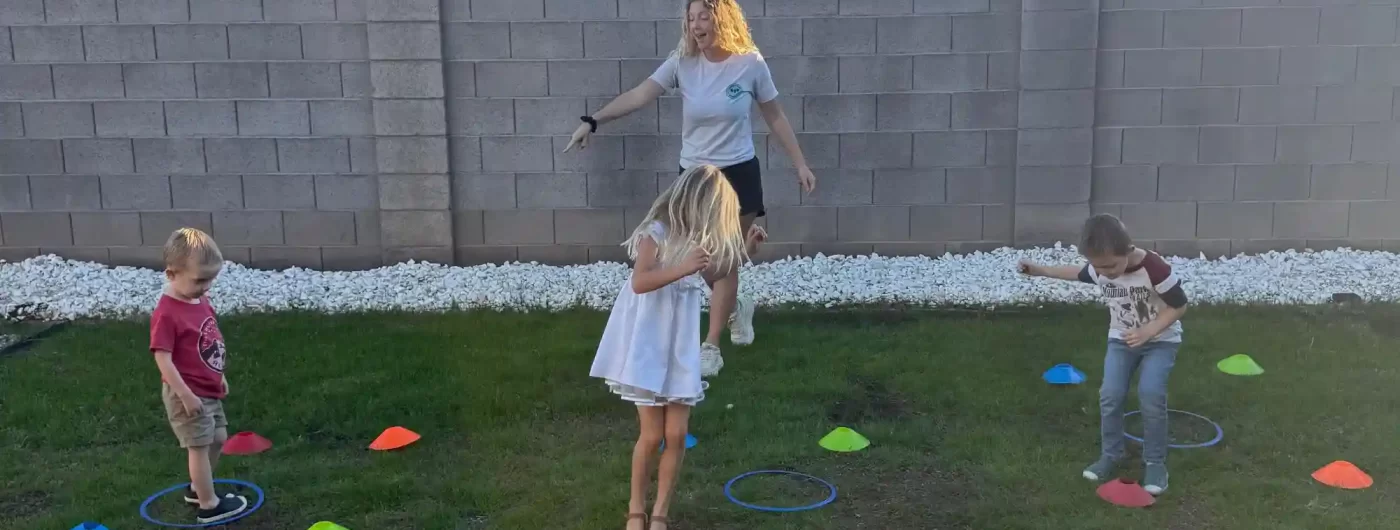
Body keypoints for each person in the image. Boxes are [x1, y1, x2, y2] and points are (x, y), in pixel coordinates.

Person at [565, 0, 815, 370]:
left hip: (738, 176)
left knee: (724, 259)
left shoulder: (750, 64)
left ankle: (711, 345)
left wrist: (800, 163)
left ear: (722, 19)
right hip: (695, 182)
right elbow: (639, 95)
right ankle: (737, 305)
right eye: (691, 18)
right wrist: (593, 121)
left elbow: (775, 116)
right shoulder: (681, 62)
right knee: (704, 261)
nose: (696, 25)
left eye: (704, 17)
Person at [589, 165, 766, 530]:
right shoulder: (656, 232)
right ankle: (635, 510)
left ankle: (660, 514)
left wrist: (745, 251)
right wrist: (683, 268)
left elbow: (715, 273)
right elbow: (640, 282)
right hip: (649, 345)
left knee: (676, 435)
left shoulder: (699, 240)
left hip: (679, 348)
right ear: (696, 202)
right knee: (652, 435)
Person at [1017, 214, 1189, 496]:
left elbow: (1179, 305)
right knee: (1110, 395)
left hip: (1160, 341)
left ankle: (1155, 462)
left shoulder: (1154, 268)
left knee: (1151, 395)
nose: (1105, 272)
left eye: (1110, 266)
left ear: (1128, 250)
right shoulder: (1101, 267)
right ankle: (1112, 454)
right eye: (1098, 267)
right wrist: (1040, 270)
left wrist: (1148, 331)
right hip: (1121, 340)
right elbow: (1077, 273)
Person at [149, 228, 248, 523]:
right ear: (172, 274)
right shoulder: (167, 313)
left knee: (218, 438)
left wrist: (219, 375)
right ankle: (208, 505)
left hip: (207, 387)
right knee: (199, 446)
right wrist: (185, 394)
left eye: (210, 280)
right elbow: (162, 358)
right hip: (187, 392)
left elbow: (208, 341)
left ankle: (197, 488)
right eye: (200, 280)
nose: (206, 287)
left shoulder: (198, 299)